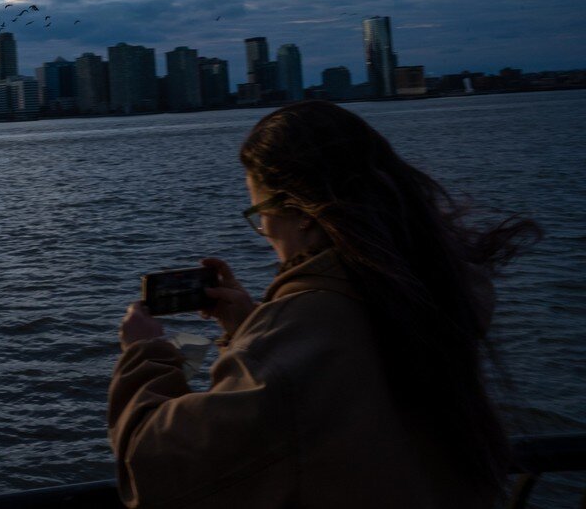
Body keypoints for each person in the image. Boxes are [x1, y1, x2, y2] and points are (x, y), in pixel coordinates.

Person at [108, 100, 539, 508]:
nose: (264, 232)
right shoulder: (428, 290)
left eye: (260, 214)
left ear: (302, 212)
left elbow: (155, 468)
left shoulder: (305, 328)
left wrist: (145, 354)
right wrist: (247, 328)